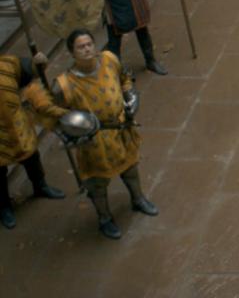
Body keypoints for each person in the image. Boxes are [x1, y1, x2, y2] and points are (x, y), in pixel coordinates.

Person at [30, 29, 157, 239]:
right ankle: (104, 218)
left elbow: (125, 79)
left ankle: (138, 199)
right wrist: (72, 133)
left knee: (131, 168)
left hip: (121, 129)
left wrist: (131, 97)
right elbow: (54, 116)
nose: (87, 49)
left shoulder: (109, 59)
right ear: (72, 52)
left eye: (89, 43)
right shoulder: (64, 84)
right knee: (97, 184)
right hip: (94, 141)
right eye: (81, 46)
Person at [0, 51, 65, 229]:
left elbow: (28, 70)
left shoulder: (7, 64)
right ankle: (4, 207)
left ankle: (40, 186)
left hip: (18, 126)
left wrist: (38, 63)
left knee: (32, 158)